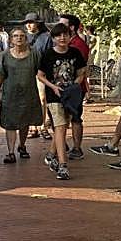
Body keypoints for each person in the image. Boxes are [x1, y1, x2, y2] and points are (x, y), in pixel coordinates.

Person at [37, 23, 88, 181]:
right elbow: (40, 75)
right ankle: (63, 164)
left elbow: (81, 72)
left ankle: (51, 154)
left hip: (71, 95)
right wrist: (53, 87)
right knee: (60, 127)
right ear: (53, 38)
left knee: (63, 126)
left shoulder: (75, 53)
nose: (62, 38)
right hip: (54, 96)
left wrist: (75, 85)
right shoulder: (48, 54)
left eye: (65, 35)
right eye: (58, 36)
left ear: (69, 36)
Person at [0, 27, 42, 163]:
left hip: (28, 93)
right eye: (15, 36)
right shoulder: (5, 55)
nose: (19, 38)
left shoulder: (34, 54)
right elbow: (1, 75)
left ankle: (22, 145)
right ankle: (10, 152)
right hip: (10, 95)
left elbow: (41, 72)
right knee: (10, 123)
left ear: (26, 39)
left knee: (25, 122)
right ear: (11, 39)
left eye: (22, 36)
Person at [59, 12, 92, 155]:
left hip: (75, 88)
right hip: (61, 86)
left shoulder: (79, 45)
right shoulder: (63, 42)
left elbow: (81, 69)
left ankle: (77, 147)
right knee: (61, 117)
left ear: (71, 27)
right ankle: (62, 144)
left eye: (63, 24)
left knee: (75, 117)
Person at [25, 12, 53, 138]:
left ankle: (42, 126)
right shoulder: (22, 37)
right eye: (27, 23)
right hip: (26, 73)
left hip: (41, 72)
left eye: (31, 22)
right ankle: (33, 127)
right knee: (30, 99)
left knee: (42, 99)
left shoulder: (46, 37)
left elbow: (50, 54)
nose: (29, 25)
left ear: (38, 23)